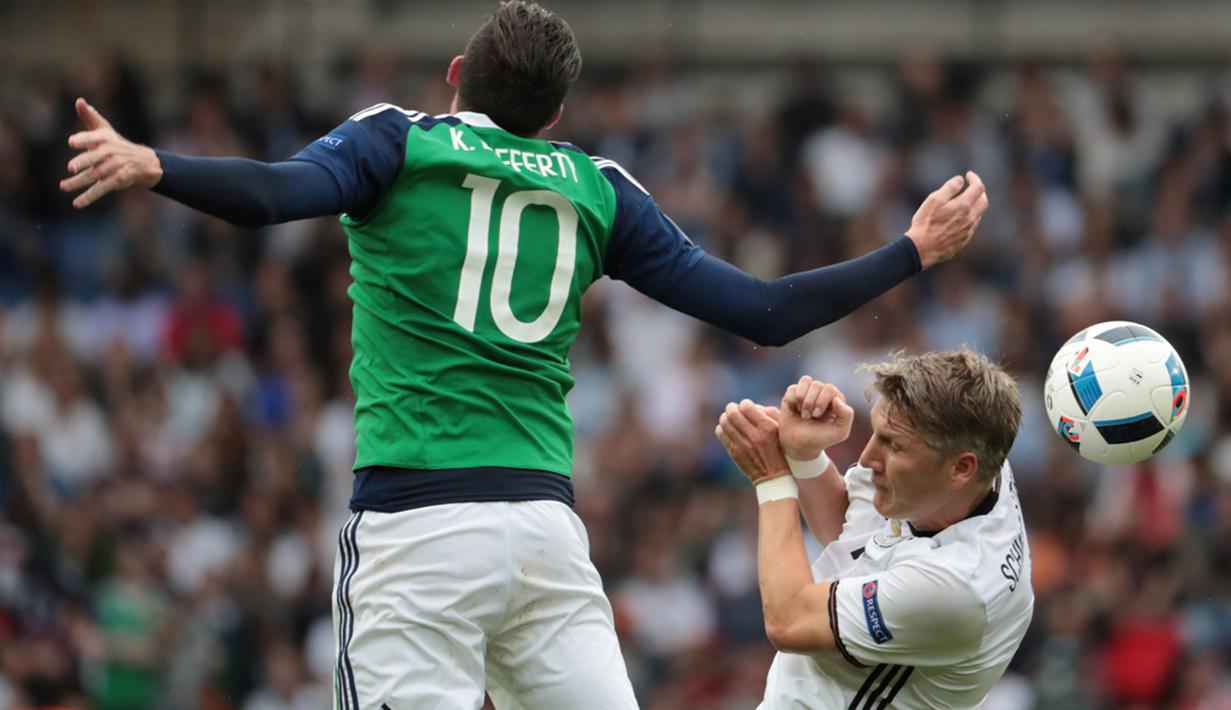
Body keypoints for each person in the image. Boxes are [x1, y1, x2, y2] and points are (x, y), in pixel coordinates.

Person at [60, 2, 988, 707]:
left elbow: (271, 195)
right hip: (544, 537)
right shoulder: (596, 189)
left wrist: (156, 164)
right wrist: (911, 248)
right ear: (552, 116)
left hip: (415, 531)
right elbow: (765, 310)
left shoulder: (399, 139)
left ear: (458, 73)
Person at [714, 350, 1032, 709]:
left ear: (961, 469)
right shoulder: (974, 461)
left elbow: (789, 621)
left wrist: (772, 479)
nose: (866, 458)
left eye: (893, 445)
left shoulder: (957, 586)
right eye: (877, 431)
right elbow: (851, 537)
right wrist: (804, 456)